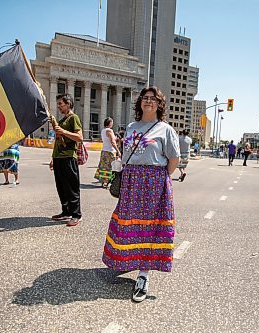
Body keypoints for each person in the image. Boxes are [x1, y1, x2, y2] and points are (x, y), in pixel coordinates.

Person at [102, 86, 180, 303]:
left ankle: (143, 275)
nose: (148, 101)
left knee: (150, 227)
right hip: (131, 180)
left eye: (153, 99)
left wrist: (160, 178)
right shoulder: (131, 127)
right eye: (145, 98)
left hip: (154, 182)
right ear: (140, 103)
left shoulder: (165, 129)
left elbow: (174, 159)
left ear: (159, 104)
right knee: (129, 223)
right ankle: (128, 261)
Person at [50, 94, 83, 226]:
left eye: (60, 104)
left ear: (68, 104)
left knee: (71, 187)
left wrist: (63, 131)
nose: (58, 106)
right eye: (58, 104)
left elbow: (79, 137)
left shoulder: (73, 118)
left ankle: (76, 214)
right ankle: (66, 211)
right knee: (61, 187)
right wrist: (53, 158)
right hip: (58, 157)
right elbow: (58, 141)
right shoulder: (63, 120)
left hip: (69, 157)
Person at [95, 117, 121, 188]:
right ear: (110, 123)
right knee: (111, 167)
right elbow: (112, 142)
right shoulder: (109, 131)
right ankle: (107, 182)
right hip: (110, 151)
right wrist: (118, 151)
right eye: (112, 122)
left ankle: (103, 181)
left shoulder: (103, 130)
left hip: (104, 151)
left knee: (103, 166)